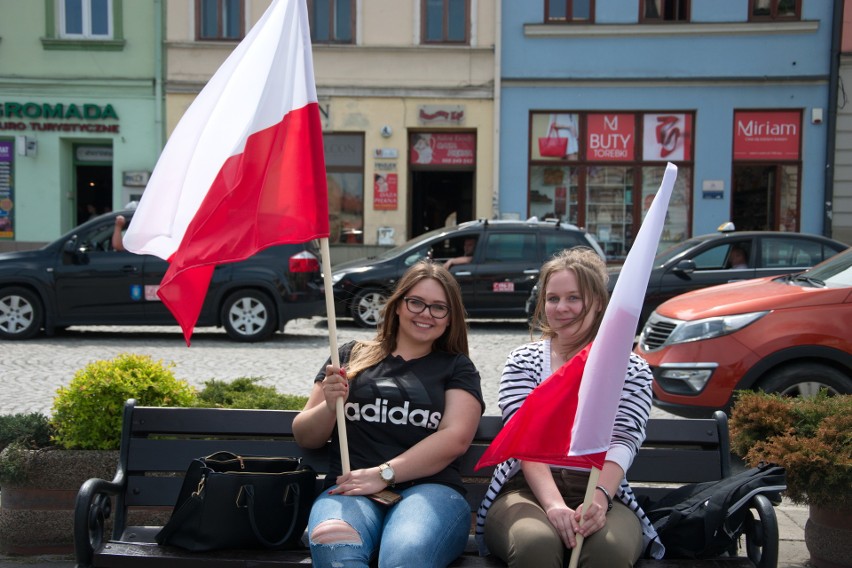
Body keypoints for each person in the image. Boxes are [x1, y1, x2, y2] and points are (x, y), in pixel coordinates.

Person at [476, 247, 663, 567]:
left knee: (609, 553)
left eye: (573, 298)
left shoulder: (629, 368)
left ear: (599, 303)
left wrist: (600, 499)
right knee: (535, 545)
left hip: (601, 489)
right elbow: (523, 441)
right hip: (527, 489)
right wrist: (553, 506)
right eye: (552, 298)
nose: (562, 308)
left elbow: (623, 440)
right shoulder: (524, 362)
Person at [293, 260, 485, 568]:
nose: (426, 313)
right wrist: (330, 406)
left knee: (406, 552)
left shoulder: (457, 367)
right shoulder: (349, 356)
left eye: (439, 308)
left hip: (430, 491)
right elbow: (305, 435)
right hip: (350, 490)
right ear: (397, 306)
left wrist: (382, 474)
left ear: (450, 319)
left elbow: (455, 438)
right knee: (334, 542)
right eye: (416, 302)